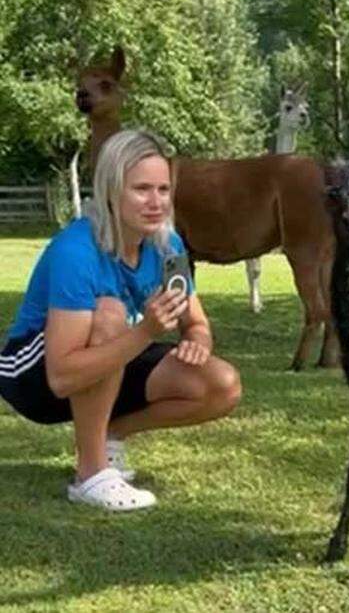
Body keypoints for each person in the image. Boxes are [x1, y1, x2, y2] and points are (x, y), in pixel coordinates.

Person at [0, 129, 241, 511]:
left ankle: (108, 436)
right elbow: (61, 377)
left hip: (112, 354)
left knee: (220, 384)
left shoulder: (167, 245)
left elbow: (196, 323)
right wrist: (147, 329)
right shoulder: (76, 250)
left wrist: (198, 342)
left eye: (163, 190)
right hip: (33, 377)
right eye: (141, 189)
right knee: (110, 311)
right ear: (112, 190)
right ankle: (91, 475)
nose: (156, 202)